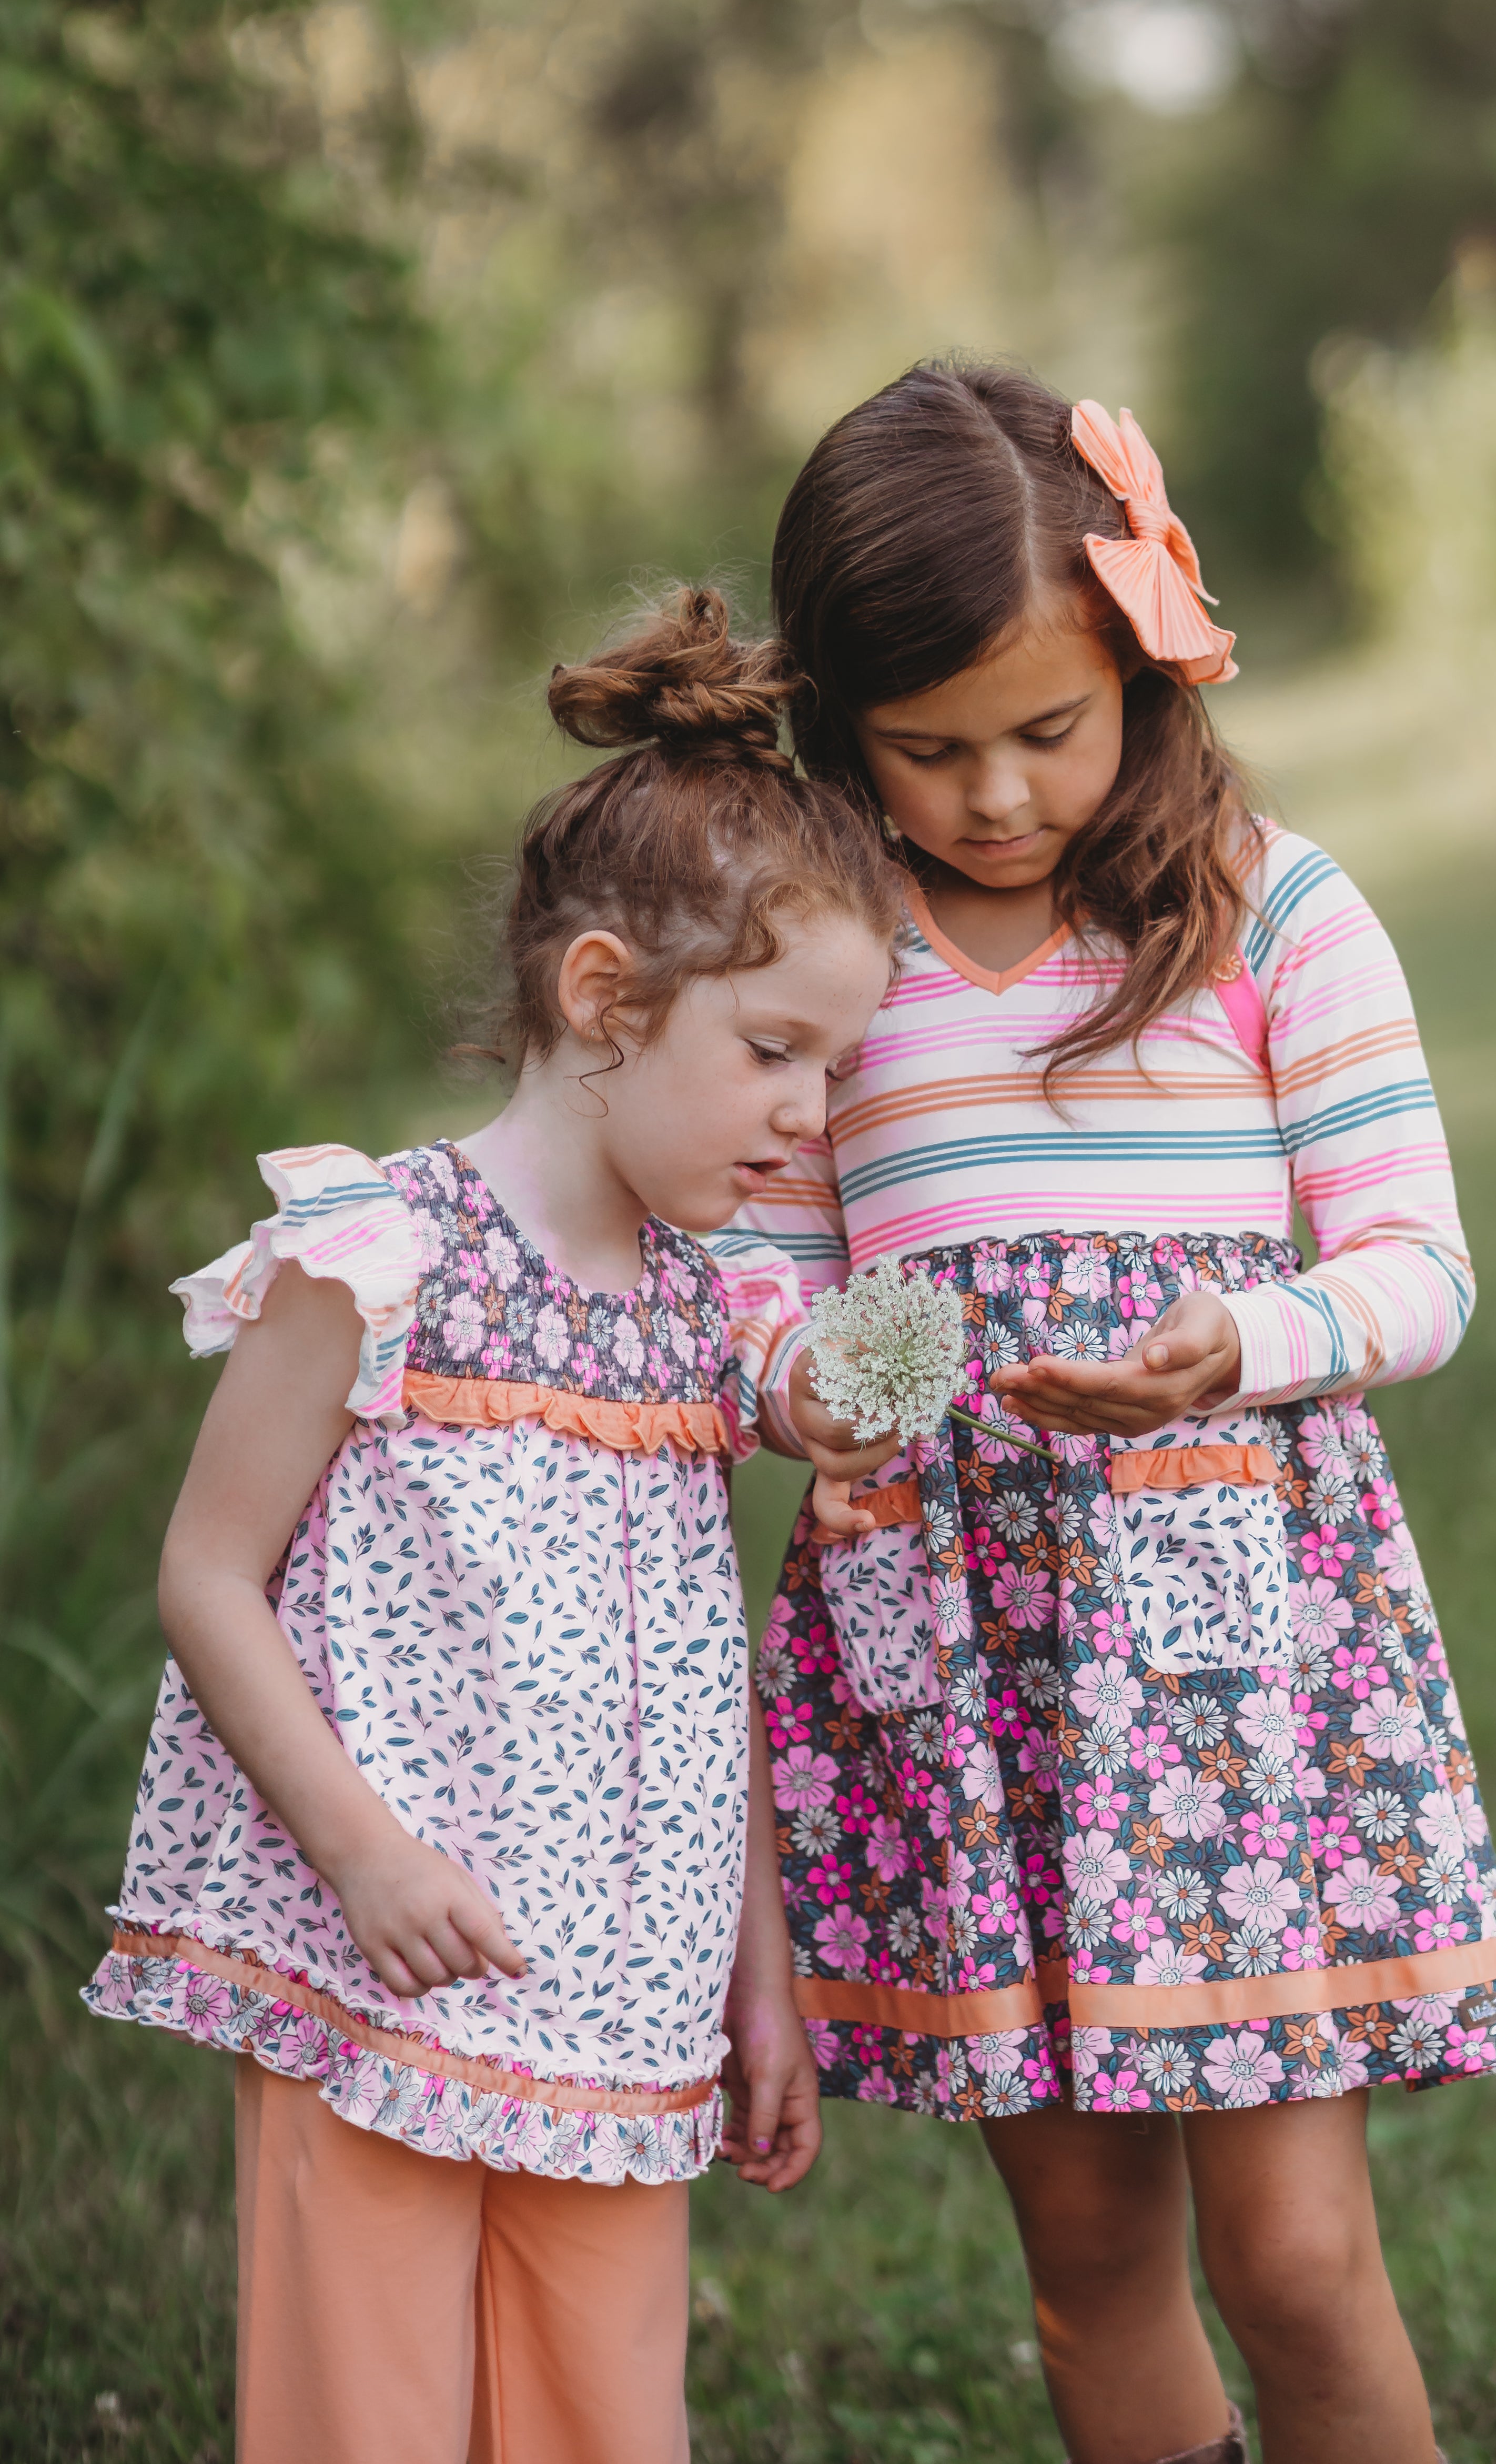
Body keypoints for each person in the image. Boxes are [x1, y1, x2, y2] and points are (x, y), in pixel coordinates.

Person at [729, 365, 1496, 2464]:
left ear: (1147, 670)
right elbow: (750, 1258)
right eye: (927, 749)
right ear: (837, 721)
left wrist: (1244, 1345)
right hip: (962, 1670)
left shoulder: (1273, 912)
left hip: (1225, 1684)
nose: (993, 795)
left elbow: (1416, 1267)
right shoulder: (819, 955)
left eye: (1044, 731)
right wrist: (788, 1373)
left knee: (1288, 2257)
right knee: (1088, 2263)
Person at [84, 589, 899, 2464]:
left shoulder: (712, 1316)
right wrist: (360, 1853)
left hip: (627, 1998)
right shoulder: (380, 1261)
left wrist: (756, 1977)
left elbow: (707, 1681)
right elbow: (208, 1576)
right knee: (367, 2422)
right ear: (601, 995)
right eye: (775, 1050)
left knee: (607, 2424)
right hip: (390, 1971)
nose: (808, 1116)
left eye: (838, 1071)